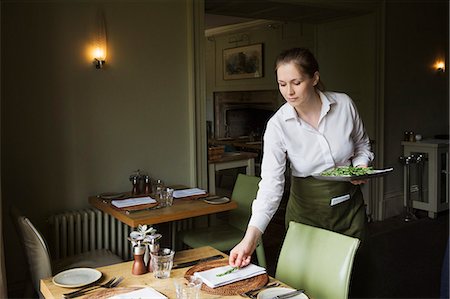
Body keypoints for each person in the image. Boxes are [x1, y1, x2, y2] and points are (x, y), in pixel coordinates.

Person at [229, 47, 374, 268]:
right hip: (306, 215)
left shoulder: (344, 105)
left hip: (349, 211)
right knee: (306, 279)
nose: (289, 92)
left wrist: (360, 166)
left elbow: (362, 144)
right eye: (282, 84)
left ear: (314, 78)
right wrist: (250, 240)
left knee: (353, 277)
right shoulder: (277, 126)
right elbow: (270, 186)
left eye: (296, 82)